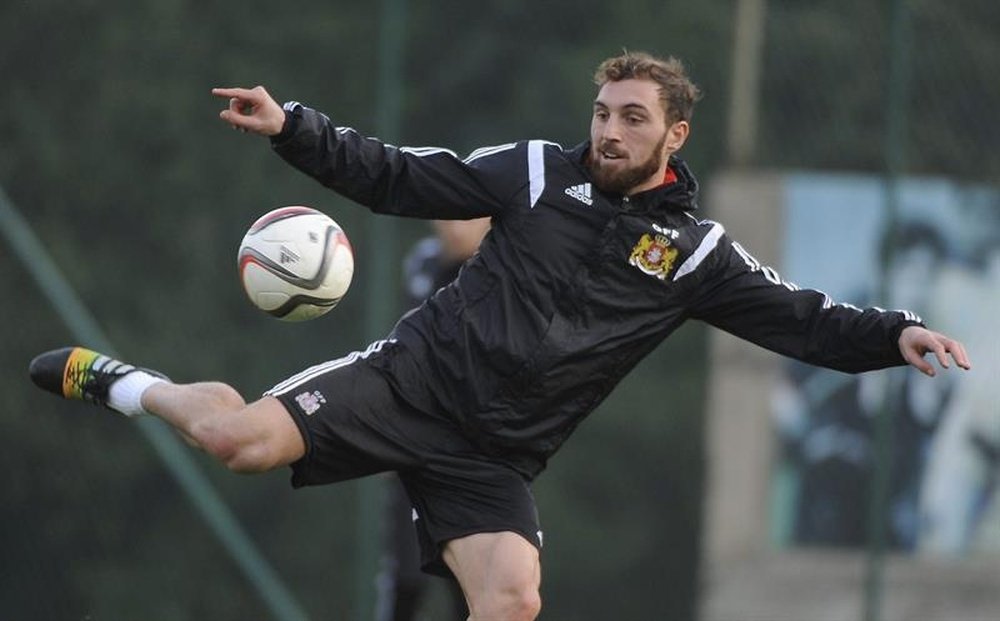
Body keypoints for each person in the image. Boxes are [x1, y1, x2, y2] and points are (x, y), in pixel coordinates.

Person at [29, 52, 971, 621]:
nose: (607, 131)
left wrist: (895, 335)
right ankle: (120, 379)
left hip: (497, 456)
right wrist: (294, 128)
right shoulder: (531, 172)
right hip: (408, 386)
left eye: (632, 119)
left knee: (514, 598)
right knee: (235, 443)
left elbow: (802, 318)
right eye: (602, 113)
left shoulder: (695, 255)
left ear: (673, 135)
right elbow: (399, 176)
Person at [376, 218, 489, 621]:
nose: (454, 226)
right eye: (446, 212)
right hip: (414, 454)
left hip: (475, 460)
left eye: (467, 215)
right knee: (406, 581)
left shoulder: (502, 270)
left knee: (473, 589)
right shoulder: (422, 263)